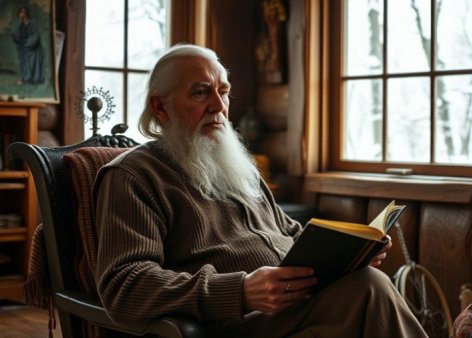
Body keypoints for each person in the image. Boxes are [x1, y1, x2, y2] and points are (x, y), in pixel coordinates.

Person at [93, 43, 428, 338]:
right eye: (200, 93)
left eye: (223, 91)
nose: (219, 106)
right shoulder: (133, 177)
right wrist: (239, 291)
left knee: (364, 284)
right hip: (231, 323)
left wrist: (348, 254)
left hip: (296, 309)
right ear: (161, 107)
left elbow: (290, 233)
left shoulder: (235, 167)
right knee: (370, 290)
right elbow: (126, 285)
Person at [11, 6, 45, 85]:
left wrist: (26, 43)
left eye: (23, 13)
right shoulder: (21, 27)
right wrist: (16, 38)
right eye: (20, 14)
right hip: (24, 50)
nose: (21, 16)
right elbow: (20, 39)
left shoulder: (33, 24)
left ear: (26, 15)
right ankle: (25, 79)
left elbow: (35, 37)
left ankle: (34, 80)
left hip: (34, 50)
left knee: (33, 64)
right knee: (23, 62)